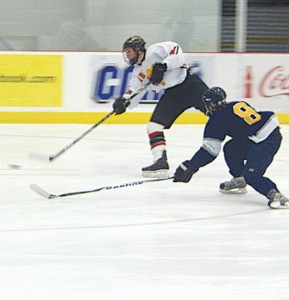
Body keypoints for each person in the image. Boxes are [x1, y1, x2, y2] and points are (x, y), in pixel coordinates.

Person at [173, 86, 289, 209]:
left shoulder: (216, 120)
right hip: (265, 134)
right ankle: (239, 179)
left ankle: (277, 196)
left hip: (265, 142)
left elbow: (210, 151)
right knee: (231, 148)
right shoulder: (236, 105)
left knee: (252, 176)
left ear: (211, 104)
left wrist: (191, 166)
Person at [112, 36, 208, 178]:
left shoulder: (155, 51)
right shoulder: (138, 71)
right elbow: (134, 90)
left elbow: (178, 54)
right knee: (153, 126)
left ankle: (244, 133)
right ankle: (160, 161)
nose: (127, 55)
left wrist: (164, 66)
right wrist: (124, 102)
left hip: (190, 85)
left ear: (138, 50)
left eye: (129, 51)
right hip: (173, 95)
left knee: (218, 115)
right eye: (126, 52)